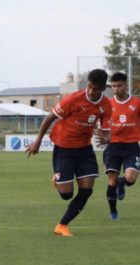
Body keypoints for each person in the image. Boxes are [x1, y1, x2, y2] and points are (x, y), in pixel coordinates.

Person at [26, 69, 112, 237]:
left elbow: (107, 132)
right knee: (67, 195)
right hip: (64, 148)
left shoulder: (105, 105)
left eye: (95, 88)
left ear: (102, 88)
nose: (90, 90)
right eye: (89, 86)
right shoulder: (73, 99)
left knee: (87, 190)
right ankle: (58, 179)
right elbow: (50, 117)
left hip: (85, 150)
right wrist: (37, 142)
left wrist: (106, 138)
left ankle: (62, 225)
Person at [103, 72, 140, 220]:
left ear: (126, 85)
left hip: (132, 146)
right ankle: (113, 211)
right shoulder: (107, 104)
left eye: (119, 86)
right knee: (111, 181)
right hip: (113, 147)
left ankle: (122, 183)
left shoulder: (137, 103)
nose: (116, 89)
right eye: (113, 86)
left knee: (130, 179)